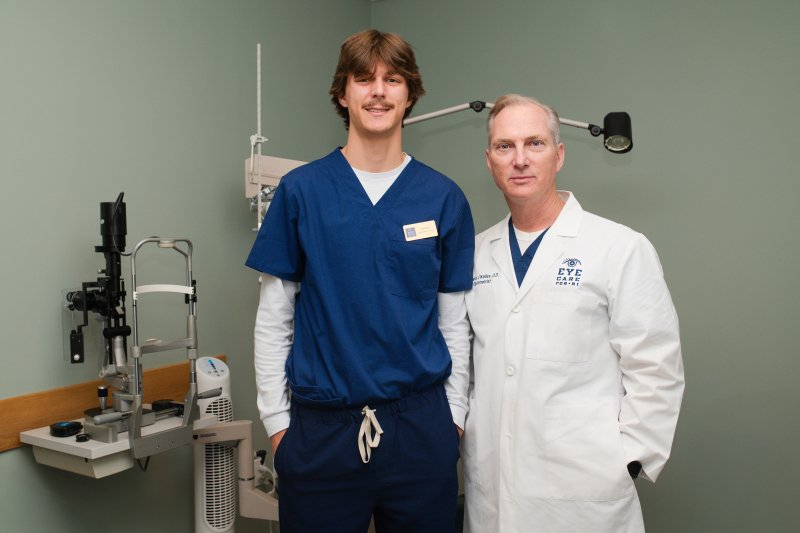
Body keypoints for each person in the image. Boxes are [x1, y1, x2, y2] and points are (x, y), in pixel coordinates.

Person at [245, 29, 474, 533]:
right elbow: (273, 320)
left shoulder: (442, 198)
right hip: (321, 434)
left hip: (419, 431)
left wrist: (451, 420)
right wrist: (279, 426)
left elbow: (454, 323)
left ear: (409, 94)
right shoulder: (302, 192)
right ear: (342, 93)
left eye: (392, 79)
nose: (378, 91)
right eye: (364, 79)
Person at [461, 94, 685, 533]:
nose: (520, 159)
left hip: (586, 495)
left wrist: (628, 460)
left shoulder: (619, 247)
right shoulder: (473, 254)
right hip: (492, 490)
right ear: (489, 161)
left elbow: (656, 365)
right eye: (505, 147)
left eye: (535, 144)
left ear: (559, 155)